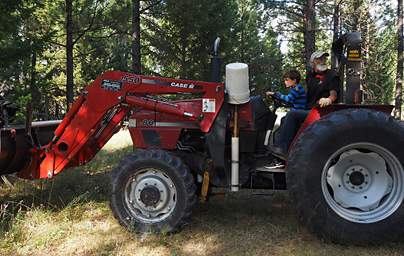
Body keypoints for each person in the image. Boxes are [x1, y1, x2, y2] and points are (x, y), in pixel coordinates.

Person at [269, 51, 340, 159]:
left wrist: (328, 100)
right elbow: (308, 96)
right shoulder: (310, 76)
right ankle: (289, 154)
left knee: (292, 114)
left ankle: (282, 149)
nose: (322, 61)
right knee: (285, 119)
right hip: (310, 109)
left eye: (323, 59)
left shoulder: (332, 75)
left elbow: (333, 94)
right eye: (319, 59)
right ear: (312, 62)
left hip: (322, 112)